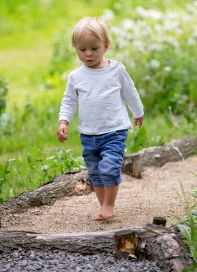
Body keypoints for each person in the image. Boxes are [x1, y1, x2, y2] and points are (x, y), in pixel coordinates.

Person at [57, 17, 144, 221]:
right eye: (82, 49)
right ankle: (102, 205)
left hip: (114, 131)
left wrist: (137, 112)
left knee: (109, 168)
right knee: (95, 173)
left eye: (94, 48)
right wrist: (63, 121)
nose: (88, 53)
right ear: (75, 48)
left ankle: (108, 205)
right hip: (88, 134)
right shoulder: (76, 77)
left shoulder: (116, 70)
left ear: (106, 46)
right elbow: (69, 101)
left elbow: (130, 92)